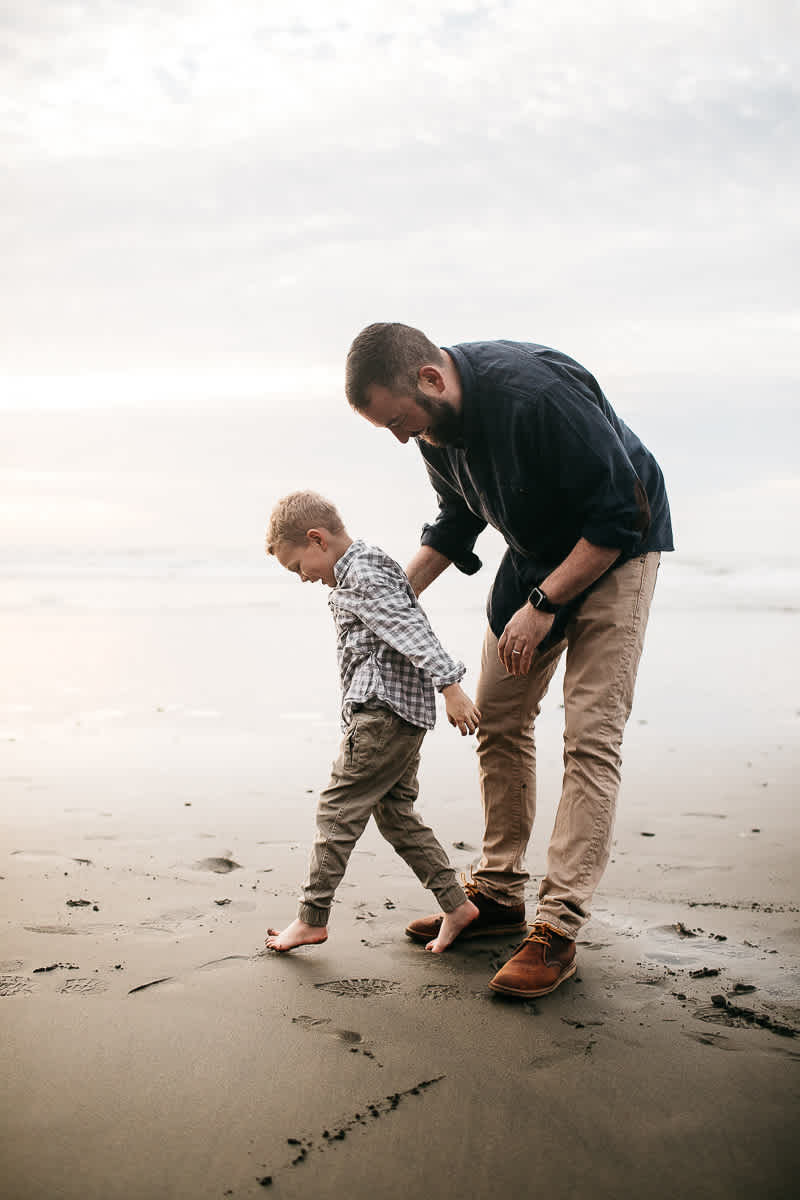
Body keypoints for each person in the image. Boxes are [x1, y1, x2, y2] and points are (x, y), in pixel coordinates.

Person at [345, 324, 674, 999]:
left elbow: (622, 512)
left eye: (400, 422)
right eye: (389, 429)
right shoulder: (435, 430)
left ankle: (558, 926)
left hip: (618, 549)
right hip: (534, 554)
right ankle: (498, 895)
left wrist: (546, 604)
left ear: (430, 380)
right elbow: (456, 518)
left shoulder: (537, 396)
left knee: (590, 737)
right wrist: (390, 599)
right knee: (497, 718)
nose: (402, 438)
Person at [263, 489, 488, 955]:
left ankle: (311, 918)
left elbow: (409, 627)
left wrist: (450, 685)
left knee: (336, 810)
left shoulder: (362, 573)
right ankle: (456, 905)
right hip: (400, 715)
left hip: (382, 715)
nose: (302, 578)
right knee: (395, 815)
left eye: (298, 566)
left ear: (317, 540)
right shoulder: (363, 566)